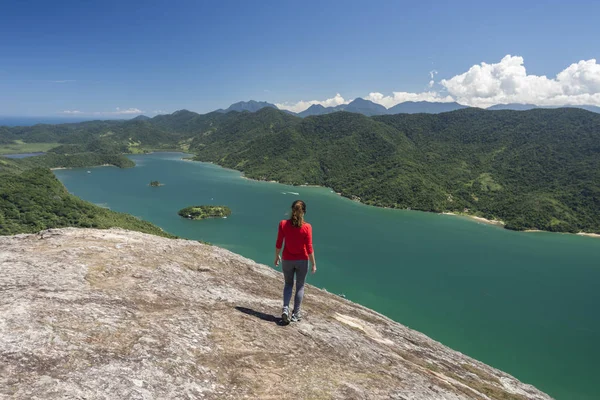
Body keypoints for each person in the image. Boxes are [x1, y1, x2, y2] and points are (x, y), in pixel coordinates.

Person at [274, 199, 317, 324]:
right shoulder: (307, 227)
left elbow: (279, 243)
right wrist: (313, 263)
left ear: (292, 210)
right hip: (302, 260)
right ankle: (296, 314)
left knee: (288, 284)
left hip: (287, 259)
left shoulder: (283, 224)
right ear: (303, 212)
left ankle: (285, 309)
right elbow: (309, 248)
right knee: (300, 286)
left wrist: (277, 256)